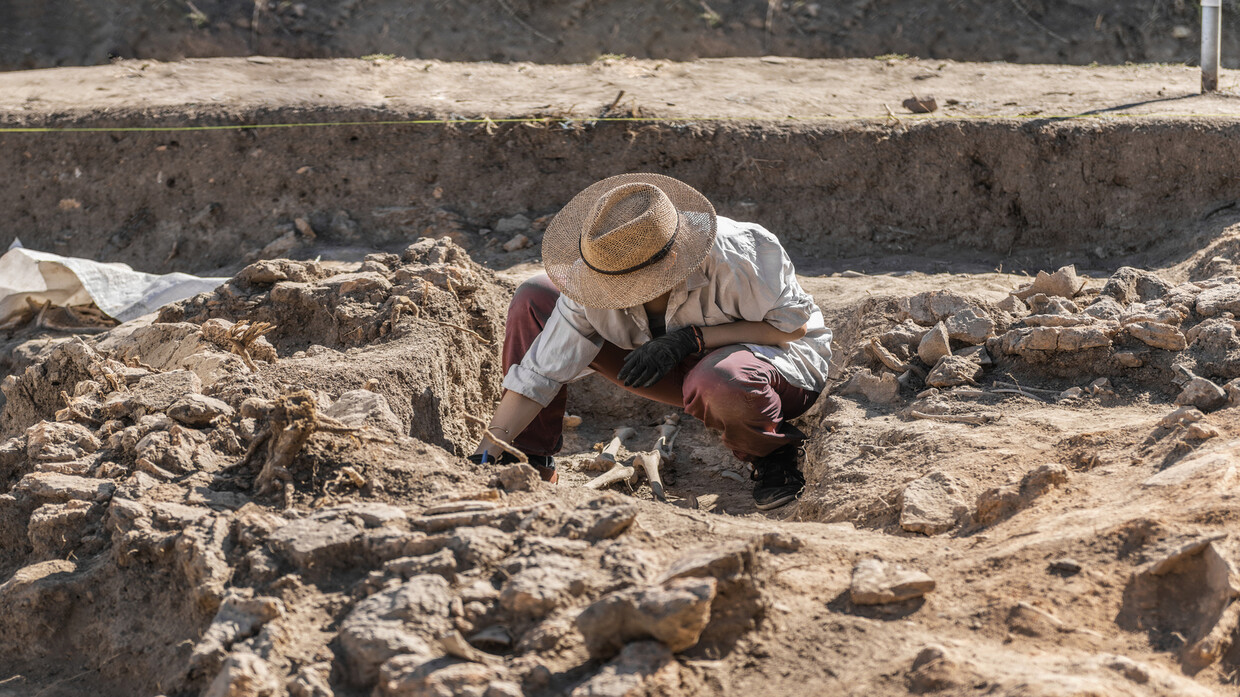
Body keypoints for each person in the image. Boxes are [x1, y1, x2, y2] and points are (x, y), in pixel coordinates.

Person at [469, 173, 832, 510]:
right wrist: (489, 449)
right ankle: (528, 456)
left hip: (771, 364)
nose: (611, 293)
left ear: (671, 260)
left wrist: (692, 339)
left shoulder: (739, 254)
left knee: (721, 379)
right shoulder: (600, 267)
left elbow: (790, 329)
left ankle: (771, 455)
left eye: (626, 286)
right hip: (667, 366)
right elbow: (539, 371)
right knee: (537, 295)